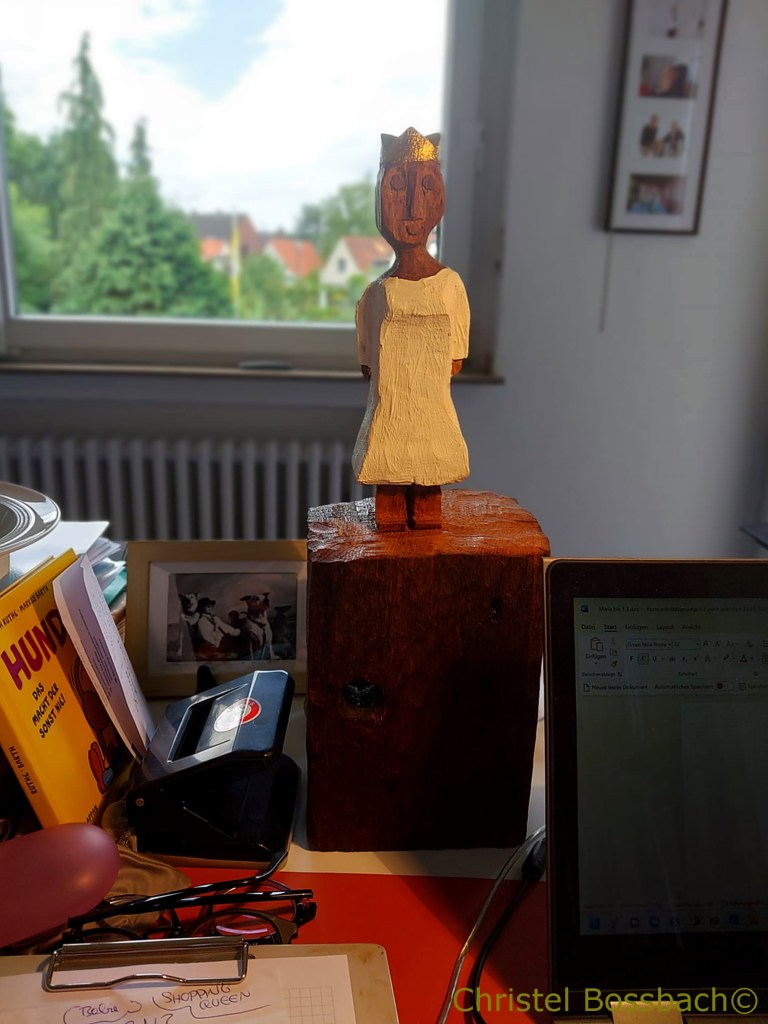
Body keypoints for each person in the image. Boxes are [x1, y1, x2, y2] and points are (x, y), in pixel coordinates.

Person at [352, 128, 469, 531]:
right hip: (388, 415)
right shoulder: (375, 294)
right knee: (387, 499)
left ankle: (425, 516)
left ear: (440, 199)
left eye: (427, 188)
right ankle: (388, 521)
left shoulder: (450, 286)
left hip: (432, 416)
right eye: (397, 188)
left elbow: (455, 359)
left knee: (430, 501)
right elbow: (369, 364)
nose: (412, 209)